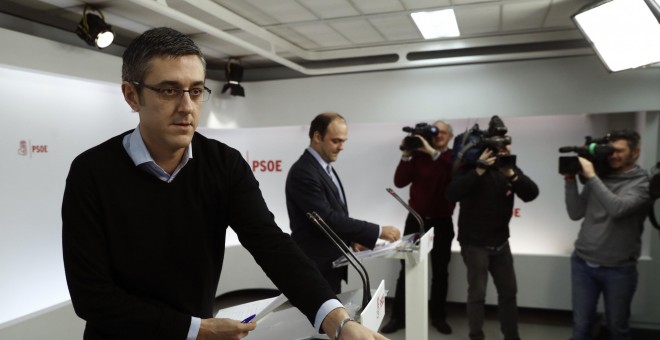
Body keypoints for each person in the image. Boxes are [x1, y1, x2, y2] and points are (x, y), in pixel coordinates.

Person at [61, 27, 386, 340]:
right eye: (169, 90)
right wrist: (195, 330)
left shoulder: (224, 164)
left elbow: (271, 244)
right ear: (132, 95)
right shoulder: (92, 173)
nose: (186, 106)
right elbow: (91, 296)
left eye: (196, 90)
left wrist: (337, 319)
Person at [285, 112, 401, 293]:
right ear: (317, 137)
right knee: (318, 321)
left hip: (330, 264)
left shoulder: (323, 167)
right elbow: (327, 219)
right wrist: (378, 231)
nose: (341, 147)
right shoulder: (304, 172)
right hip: (316, 267)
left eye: (344, 141)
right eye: (336, 141)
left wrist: (353, 240)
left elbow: (335, 215)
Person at [446, 124, 539, 340]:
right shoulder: (470, 168)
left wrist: (512, 175)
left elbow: (531, 193)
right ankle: (476, 336)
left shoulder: (507, 168)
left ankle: (511, 336)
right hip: (474, 243)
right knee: (477, 295)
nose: (503, 149)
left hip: (501, 242)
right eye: (499, 144)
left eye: (506, 144)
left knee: (509, 293)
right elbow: (451, 194)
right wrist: (478, 170)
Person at [563, 130, 650, 340]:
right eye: (610, 151)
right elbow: (575, 213)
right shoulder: (599, 179)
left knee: (617, 328)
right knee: (581, 326)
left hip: (619, 268)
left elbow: (617, 209)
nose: (613, 155)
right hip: (583, 263)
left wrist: (591, 176)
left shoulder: (643, 183)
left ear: (635, 153)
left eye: (619, 151)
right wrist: (570, 180)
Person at [380, 120, 456, 335]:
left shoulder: (451, 158)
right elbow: (400, 181)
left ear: (450, 136)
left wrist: (433, 152)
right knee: (407, 268)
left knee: (440, 271)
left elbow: (452, 175)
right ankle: (398, 317)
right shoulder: (418, 157)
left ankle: (439, 317)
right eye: (435, 132)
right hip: (416, 220)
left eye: (442, 132)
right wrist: (406, 154)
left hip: (442, 221)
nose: (438, 135)